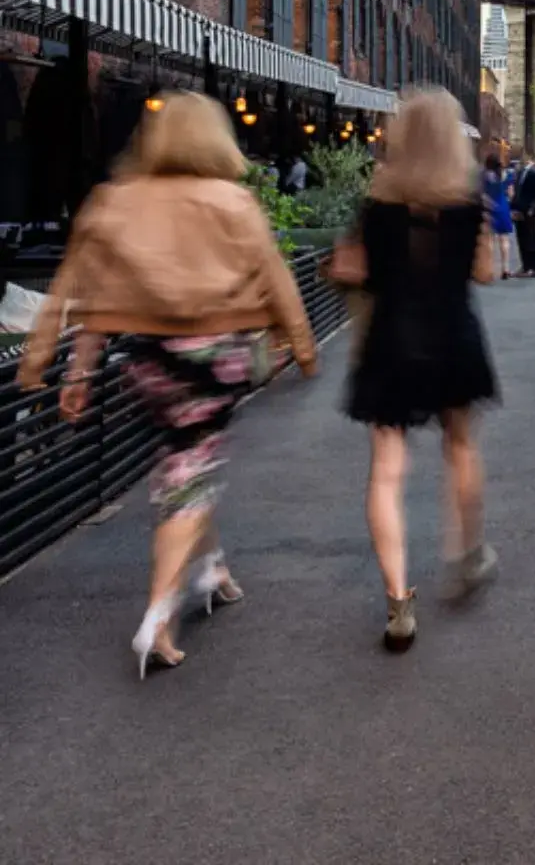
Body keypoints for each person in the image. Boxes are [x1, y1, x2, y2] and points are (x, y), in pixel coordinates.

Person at [21, 92, 317, 678]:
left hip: (150, 361)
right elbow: (276, 279)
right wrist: (299, 347)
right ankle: (159, 614)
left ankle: (213, 570)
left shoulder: (116, 201)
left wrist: (66, 368)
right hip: (217, 358)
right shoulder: (233, 201)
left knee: (188, 460)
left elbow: (83, 291)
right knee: (189, 466)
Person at [344, 88, 500, 652]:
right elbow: (486, 274)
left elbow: (355, 270)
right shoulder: (468, 201)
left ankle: (398, 602)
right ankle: (467, 549)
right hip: (452, 334)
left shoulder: (378, 200)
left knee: (387, 467)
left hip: (391, 338)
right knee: (460, 446)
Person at [480, 154, 517, 281]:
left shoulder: (484, 176)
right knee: (504, 239)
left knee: (489, 240)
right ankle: (505, 269)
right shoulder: (506, 174)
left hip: (490, 208)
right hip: (503, 206)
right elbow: (511, 193)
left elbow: (482, 194)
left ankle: (489, 269)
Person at [511, 152, 535, 278]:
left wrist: (534, 207)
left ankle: (533, 267)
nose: (522, 159)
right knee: (521, 238)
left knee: (531, 238)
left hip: (529, 210)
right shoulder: (521, 172)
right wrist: (513, 208)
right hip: (520, 210)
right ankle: (525, 266)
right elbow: (517, 192)